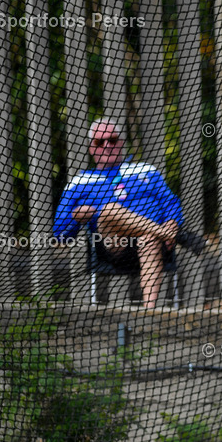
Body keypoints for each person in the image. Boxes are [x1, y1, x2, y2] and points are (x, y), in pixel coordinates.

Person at [53, 117, 204, 308]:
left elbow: (171, 203)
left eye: (113, 140)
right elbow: (60, 235)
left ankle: (149, 315)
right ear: (91, 148)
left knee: (148, 238)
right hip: (114, 246)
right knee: (108, 209)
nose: (107, 145)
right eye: (100, 142)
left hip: (152, 244)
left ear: (121, 143)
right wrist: (76, 217)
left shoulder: (146, 170)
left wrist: (172, 223)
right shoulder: (79, 182)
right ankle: (176, 236)